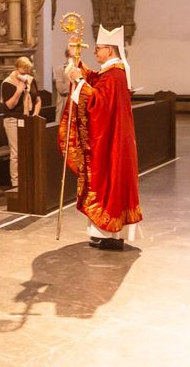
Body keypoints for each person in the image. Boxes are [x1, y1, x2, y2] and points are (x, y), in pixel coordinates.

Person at [61, 26, 142, 250]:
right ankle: (107, 235)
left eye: (98, 49)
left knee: (107, 179)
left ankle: (109, 235)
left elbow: (99, 103)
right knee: (109, 180)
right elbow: (94, 80)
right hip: (113, 139)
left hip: (111, 141)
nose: (95, 53)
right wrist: (74, 56)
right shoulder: (111, 72)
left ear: (110, 50)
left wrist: (79, 82)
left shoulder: (115, 74)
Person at [2, 56, 43, 188]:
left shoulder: (31, 81)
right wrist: (19, 91)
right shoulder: (8, 83)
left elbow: (37, 100)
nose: (25, 75)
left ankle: (28, 178)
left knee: (28, 149)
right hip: (12, 119)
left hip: (28, 119)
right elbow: (9, 105)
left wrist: (35, 114)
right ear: (17, 69)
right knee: (16, 152)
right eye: (22, 73)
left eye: (27, 72)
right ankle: (16, 182)